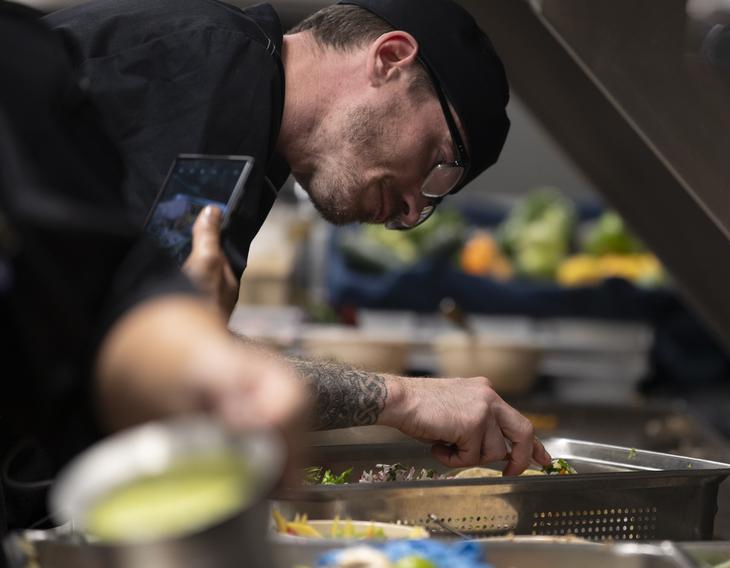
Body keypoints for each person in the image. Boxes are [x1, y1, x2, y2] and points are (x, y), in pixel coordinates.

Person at [45, 0, 549, 475]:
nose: (414, 206)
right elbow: (147, 350)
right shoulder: (215, 73)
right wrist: (403, 398)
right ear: (391, 58)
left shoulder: (248, 110)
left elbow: (162, 341)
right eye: (442, 163)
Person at [0, 1, 309, 537]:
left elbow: (105, 299)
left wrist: (196, 360)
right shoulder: (222, 58)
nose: (409, 213)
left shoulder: (18, 63)